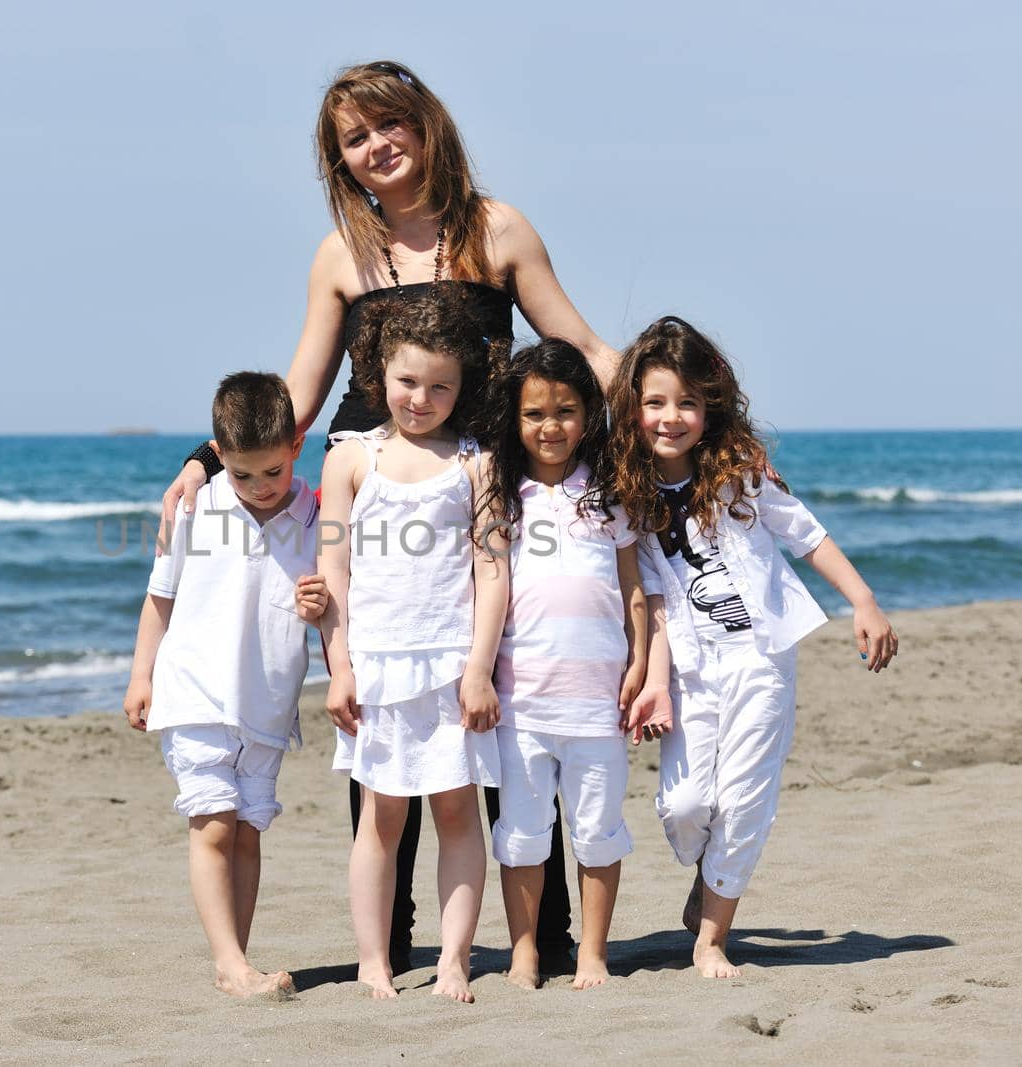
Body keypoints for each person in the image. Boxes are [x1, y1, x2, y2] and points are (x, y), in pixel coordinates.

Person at [160, 59, 617, 973]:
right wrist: (208, 456)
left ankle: (544, 935)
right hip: (369, 493)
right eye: (354, 141)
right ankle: (396, 943)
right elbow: (303, 388)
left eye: (387, 127)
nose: (377, 149)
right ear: (342, 161)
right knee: (381, 719)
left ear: (424, 122)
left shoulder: (498, 228)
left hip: (481, 485)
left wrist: (682, 418)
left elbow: (582, 347)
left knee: (496, 706)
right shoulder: (341, 251)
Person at [614, 317, 899, 979]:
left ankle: (710, 937)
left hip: (760, 658)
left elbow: (807, 534)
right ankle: (710, 876)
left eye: (686, 401)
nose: (671, 416)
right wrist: (648, 671)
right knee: (685, 808)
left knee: (744, 803)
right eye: (655, 401)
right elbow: (647, 600)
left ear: (710, 405)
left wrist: (862, 600)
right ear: (632, 407)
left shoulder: (738, 473)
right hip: (688, 666)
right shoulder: (627, 495)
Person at [318, 286, 503, 1002]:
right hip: (378, 667)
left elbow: (493, 570)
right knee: (381, 816)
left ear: (461, 388)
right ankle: (374, 959)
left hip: (452, 663)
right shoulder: (351, 460)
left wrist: (479, 669)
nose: (421, 399)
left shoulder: (474, 463)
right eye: (406, 382)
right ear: (378, 376)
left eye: (439, 386)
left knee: (458, 812)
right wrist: (339, 668)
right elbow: (334, 569)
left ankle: (454, 958)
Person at [123, 372, 327, 999]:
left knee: (246, 829)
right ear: (217, 453)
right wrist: (141, 676)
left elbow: (328, 601)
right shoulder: (192, 505)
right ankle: (231, 965)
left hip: (268, 697)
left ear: (297, 446)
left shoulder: (318, 514)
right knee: (212, 822)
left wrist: (319, 602)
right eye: (242, 475)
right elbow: (160, 599)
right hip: (194, 689)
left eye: (272, 471)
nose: (260, 488)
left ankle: (236, 957)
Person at [475, 338, 666, 990]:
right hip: (522, 700)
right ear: (514, 419)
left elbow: (633, 586)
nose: (550, 426)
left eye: (564, 411)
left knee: (597, 829)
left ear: (586, 415)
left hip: (598, 699)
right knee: (523, 833)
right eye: (534, 414)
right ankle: (524, 950)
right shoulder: (502, 497)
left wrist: (641, 663)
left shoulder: (608, 496)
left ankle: (593, 952)